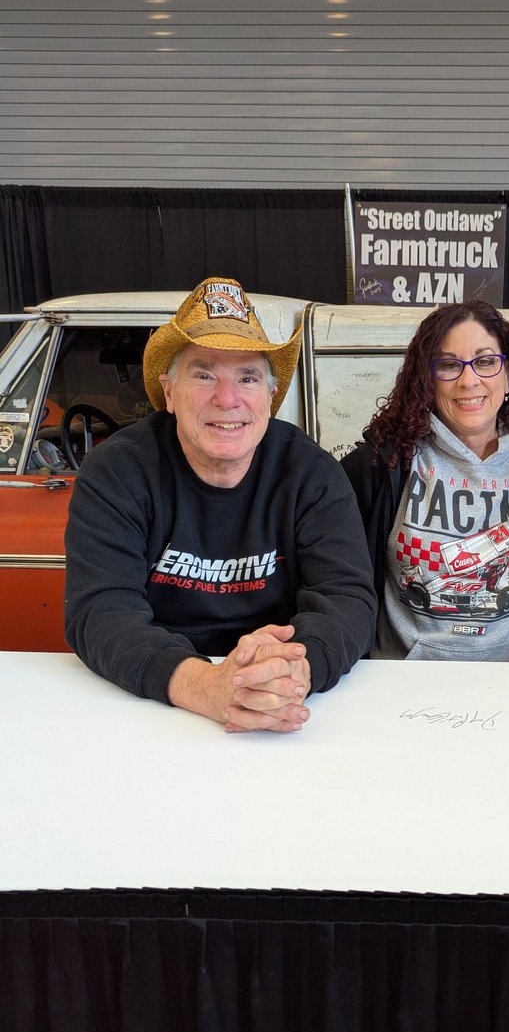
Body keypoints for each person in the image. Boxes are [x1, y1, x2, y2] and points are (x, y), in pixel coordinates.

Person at [64, 276, 376, 732]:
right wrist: (205, 685)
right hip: (153, 700)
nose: (227, 399)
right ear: (169, 392)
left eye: (247, 377)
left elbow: (346, 597)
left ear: (270, 397)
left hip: (283, 696)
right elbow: (100, 611)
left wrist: (295, 670)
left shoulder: (311, 473)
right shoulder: (116, 472)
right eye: (204, 374)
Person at [341, 299, 509, 661]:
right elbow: (342, 587)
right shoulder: (383, 466)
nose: (469, 379)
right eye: (448, 365)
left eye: (486, 361)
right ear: (427, 380)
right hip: (401, 689)